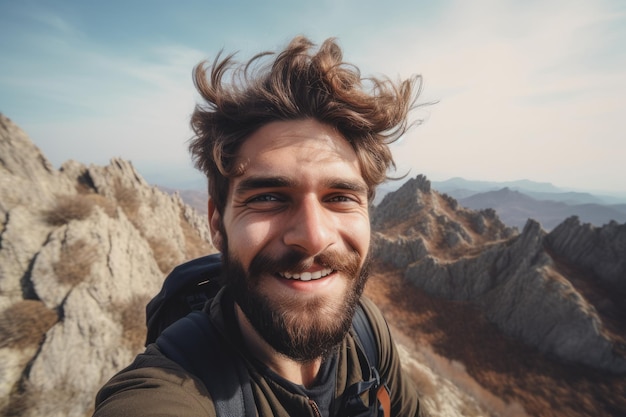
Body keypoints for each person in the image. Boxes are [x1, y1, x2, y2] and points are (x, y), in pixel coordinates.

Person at [93, 36, 423, 417]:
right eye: (268, 197)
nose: (313, 237)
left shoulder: (367, 332)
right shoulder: (171, 389)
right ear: (217, 222)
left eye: (340, 197)